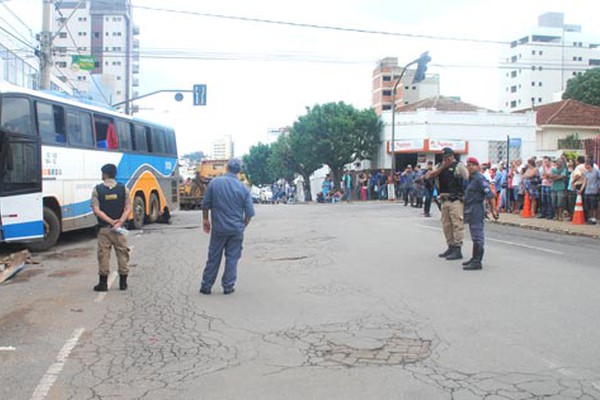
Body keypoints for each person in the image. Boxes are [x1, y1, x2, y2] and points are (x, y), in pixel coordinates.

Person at [200, 158, 255, 295]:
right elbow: (249, 213)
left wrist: (205, 219)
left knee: (213, 257)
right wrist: (242, 226)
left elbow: (206, 204)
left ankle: (206, 286)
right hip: (236, 229)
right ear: (239, 171)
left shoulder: (215, 183)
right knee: (232, 258)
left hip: (219, 228)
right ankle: (228, 286)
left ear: (226, 168)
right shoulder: (243, 188)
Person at [91, 163, 132, 292]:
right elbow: (128, 208)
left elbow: (96, 210)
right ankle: (123, 283)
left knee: (103, 255)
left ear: (105, 174)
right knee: (123, 254)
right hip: (120, 230)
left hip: (104, 229)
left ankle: (103, 284)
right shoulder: (123, 189)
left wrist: (110, 221)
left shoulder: (97, 190)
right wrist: (119, 222)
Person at [427, 147, 469, 260]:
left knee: (457, 224)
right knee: (446, 225)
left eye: (447, 157)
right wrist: (442, 167)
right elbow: (430, 176)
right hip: (444, 199)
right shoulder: (440, 166)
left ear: (452, 156)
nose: (445, 159)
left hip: (456, 199)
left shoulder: (458, 166)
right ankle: (450, 246)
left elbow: (467, 178)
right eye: (443, 157)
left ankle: (457, 248)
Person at [462, 157, 498, 270]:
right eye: (468, 165)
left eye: (473, 165)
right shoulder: (470, 179)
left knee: (478, 236)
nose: (470, 167)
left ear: (478, 167)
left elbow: (490, 195)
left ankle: (477, 261)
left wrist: (494, 210)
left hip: (477, 209)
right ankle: (474, 258)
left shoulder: (479, 179)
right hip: (470, 209)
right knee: (474, 235)